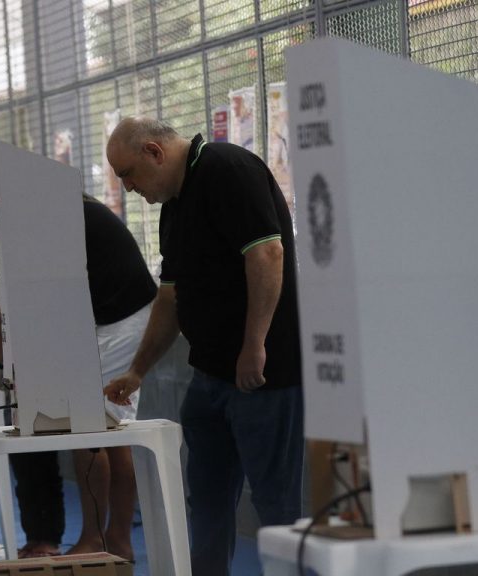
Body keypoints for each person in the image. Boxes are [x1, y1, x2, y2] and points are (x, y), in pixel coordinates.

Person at [103, 117, 304, 576]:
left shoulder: (226, 168)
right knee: (208, 500)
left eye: (128, 174)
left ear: (154, 152)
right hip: (210, 377)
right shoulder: (174, 207)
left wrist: (254, 345)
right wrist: (138, 370)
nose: (128, 187)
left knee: (275, 505)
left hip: (263, 377)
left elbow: (267, 253)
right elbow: (170, 297)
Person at [0, 170, 156, 560]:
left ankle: (97, 539)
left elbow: (11, 300)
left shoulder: (33, 219)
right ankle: (116, 540)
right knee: (110, 433)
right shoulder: (49, 208)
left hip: (121, 320)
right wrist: (0, 354)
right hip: (113, 317)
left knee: (88, 428)